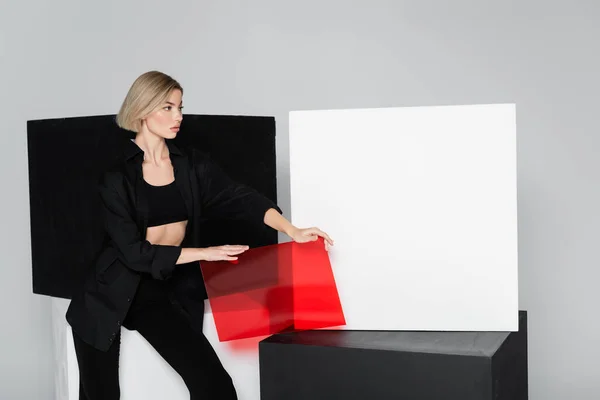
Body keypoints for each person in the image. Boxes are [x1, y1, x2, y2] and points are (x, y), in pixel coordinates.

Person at [65, 70, 334, 400]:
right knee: (99, 395)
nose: (178, 116)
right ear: (142, 109)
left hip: (158, 289)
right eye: (168, 108)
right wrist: (204, 252)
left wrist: (290, 228)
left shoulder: (190, 165)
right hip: (106, 294)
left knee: (215, 387)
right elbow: (134, 253)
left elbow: (238, 197)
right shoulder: (116, 178)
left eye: (180, 107)